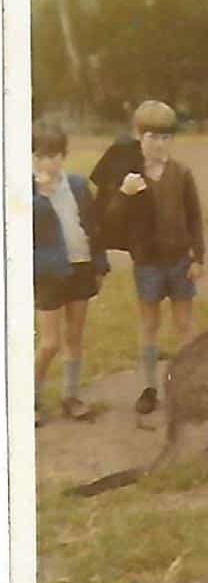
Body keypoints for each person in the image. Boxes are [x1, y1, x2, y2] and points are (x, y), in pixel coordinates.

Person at [94, 100, 205, 414]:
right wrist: (123, 194)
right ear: (138, 137)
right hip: (147, 263)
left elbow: (194, 217)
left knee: (184, 323)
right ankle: (149, 387)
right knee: (149, 324)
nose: (158, 144)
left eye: (165, 137)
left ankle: (186, 383)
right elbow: (110, 221)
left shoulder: (182, 173)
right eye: (152, 137)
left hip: (180, 260)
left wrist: (199, 257)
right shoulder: (130, 175)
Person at [33, 121, 109, 426]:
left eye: (55, 155)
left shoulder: (77, 186)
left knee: (74, 337)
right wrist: (39, 194)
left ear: (64, 155)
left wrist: (99, 265)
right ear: (32, 157)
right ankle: (30, 399)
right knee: (49, 342)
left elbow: (93, 227)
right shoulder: (25, 192)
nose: (49, 162)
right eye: (42, 155)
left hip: (80, 267)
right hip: (49, 274)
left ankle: (71, 396)